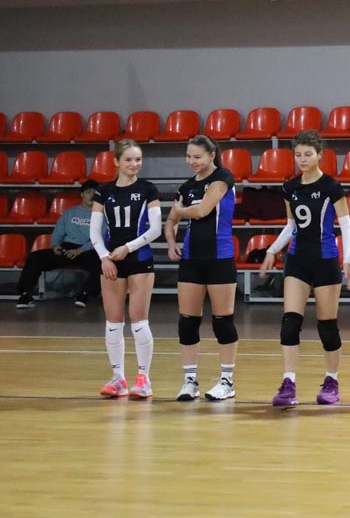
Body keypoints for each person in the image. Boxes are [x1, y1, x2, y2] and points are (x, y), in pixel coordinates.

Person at [259, 130, 350, 407]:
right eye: (298, 155)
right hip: (297, 260)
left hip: (325, 260)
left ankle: (331, 381)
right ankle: (288, 383)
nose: (302, 159)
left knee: (327, 326)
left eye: (308, 154)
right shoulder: (290, 188)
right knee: (290, 323)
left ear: (319, 155)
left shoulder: (331, 186)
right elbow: (291, 226)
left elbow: (346, 226)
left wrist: (347, 259)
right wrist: (272, 250)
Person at [165, 134, 240, 402]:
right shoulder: (186, 187)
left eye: (197, 156)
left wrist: (180, 211)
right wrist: (171, 242)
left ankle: (227, 381)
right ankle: (189, 381)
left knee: (222, 322)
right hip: (191, 259)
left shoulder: (223, 178)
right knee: (187, 322)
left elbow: (202, 211)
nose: (192, 161)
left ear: (211, 155)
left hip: (220, 258)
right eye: (188, 156)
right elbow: (170, 221)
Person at [88, 142, 162, 399]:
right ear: (117, 161)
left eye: (138, 159)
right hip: (111, 261)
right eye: (129, 159)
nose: (134, 164)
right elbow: (94, 231)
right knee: (113, 322)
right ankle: (118, 378)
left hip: (139, 258)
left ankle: (144, 379)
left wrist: (128, 248)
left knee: (139, 321)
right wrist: (104, 258)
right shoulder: (104, 191)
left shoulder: (148, 189)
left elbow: (155, 229)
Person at [15, 180, 102, 308]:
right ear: (82, 194)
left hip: (87, 250)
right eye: (89, 192)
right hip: (67, 248)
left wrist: (80, 250)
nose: (92, 196)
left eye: (95, 193)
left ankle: (85, 294)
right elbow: (58, 234)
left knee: (103, 261)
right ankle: (25, 294)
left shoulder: (100, 215)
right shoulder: (69, 213)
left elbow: (100, 238)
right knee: (35, 257)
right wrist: (56, 246)